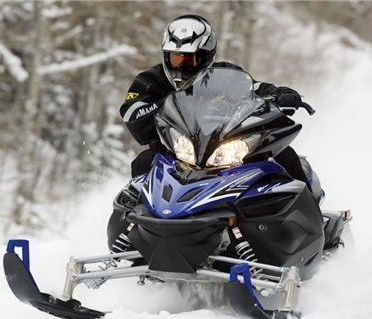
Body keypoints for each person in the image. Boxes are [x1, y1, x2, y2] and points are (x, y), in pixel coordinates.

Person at [108, 14, 314, 254]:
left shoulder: (224, 76)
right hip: (176, 151)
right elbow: (132, 112)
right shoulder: (150, 81)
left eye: (189, 60)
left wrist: (281, 93)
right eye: (175, 58)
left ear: (206, 57)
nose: (180, 66)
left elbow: (256, 89)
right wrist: (163, 103)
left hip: (222, 147)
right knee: (143, 163)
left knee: (283, 156)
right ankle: (135, 238)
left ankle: (309, 226)